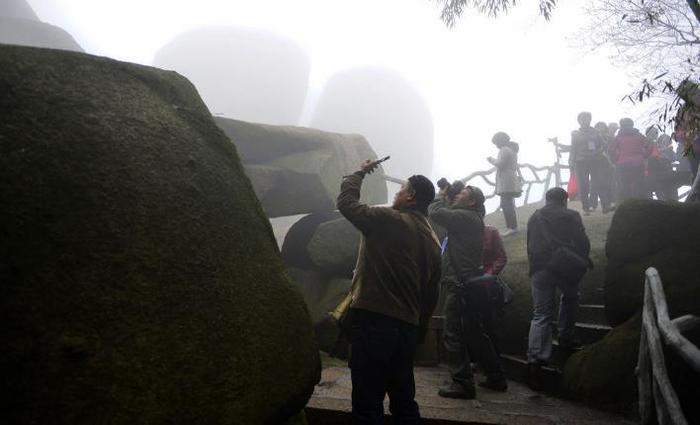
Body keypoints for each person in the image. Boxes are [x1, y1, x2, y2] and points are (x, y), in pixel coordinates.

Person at [337, 160, 442, 424]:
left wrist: (359, 173)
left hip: (374, 321)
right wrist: (420, 329)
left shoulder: (389, 220)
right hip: (407, 328)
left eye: (401, 189)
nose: (396, 194)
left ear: (411, 196)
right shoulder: (433, 240)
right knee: (404, 401)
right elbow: (431, 293)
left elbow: (347, 204)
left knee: (367, 402)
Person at [429, 183, 507, 399]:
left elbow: (435, 212)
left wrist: (443, 194)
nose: (457, 195)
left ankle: (462, 383)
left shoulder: (466, 217)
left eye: (462, 193)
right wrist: (452, 196)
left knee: (453, 333)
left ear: (471, 201)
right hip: (471, 284)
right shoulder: (473, 219)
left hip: (460, 285)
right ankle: (496, 376)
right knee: (475, 333)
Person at [526, 188, 591, 391]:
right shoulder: (571, 215)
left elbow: (529, 245)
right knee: (571, 297)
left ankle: (535, 361)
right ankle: (566, 336)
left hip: (539, 269)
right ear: (565, 200)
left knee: (541, 315)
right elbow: (582, 243)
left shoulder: (534, 217)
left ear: (547, 199)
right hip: (563, 266)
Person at [569, 112, 614, 214]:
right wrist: (571, 162)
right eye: (582, 119)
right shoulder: (576, 134)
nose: (585, 121)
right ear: (579, 121)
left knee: (599, 183)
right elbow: (573, 149)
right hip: (581, 162)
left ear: (590, 120)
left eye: (587, 119)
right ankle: (586, 207)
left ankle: (605, 206)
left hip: (595, 160)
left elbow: (604, 144)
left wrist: (599, 151)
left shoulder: (596, 132)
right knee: (584, 185)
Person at [487, 132, 522, 236]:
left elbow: (500, 164)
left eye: (496, 142)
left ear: (500, 141)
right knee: (508, 203)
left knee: (506, 204)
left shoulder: (504, 150)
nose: (496, 145)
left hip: (506, 180)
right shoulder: (512, 150)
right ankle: (512, 226)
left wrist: (491, 160)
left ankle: (512, 227)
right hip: (510, 178)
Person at [481, 224, 508, 355]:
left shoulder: (491, 231)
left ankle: (494, 357)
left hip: (487, 286)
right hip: (468, 283)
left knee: (489, 322)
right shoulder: (461, 233)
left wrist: (489, 274)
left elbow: (501, 257)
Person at [609, 118, 651, 201]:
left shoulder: (618, 137)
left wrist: (616, 159)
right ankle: (639, 202)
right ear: (632, 125)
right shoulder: (639, 136)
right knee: (638, 184)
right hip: (638, 163)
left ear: (621, 126)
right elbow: (649, 146)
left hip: (622, 163)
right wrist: (644, 156)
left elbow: (611, 150)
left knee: (624, 185)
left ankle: (626, 203)